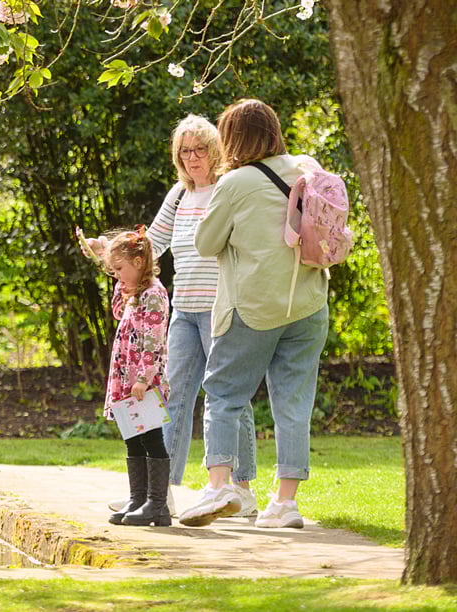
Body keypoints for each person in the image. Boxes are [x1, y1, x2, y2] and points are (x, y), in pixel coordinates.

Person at [179, 99, 329, 529]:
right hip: (308, 304)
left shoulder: (235, 183)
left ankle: (220, 483)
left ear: (233, 138)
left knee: (224, 393)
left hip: (253, 306)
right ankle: (285, 504)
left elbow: (206, 243)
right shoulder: (305, 167)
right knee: (294, 403)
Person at [106, 116, 260, 517]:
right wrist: (109, 251)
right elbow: (150, 245)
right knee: (166, 397)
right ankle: (162, 493)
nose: (192, 158)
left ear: (215, 150)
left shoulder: (228, 189)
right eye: (185, 151)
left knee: (228, 396)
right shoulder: (179, 194)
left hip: (222, 308)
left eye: (200, 149)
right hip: (183, 311)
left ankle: (241, 491)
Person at [82, 227, 172, 527]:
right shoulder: (133, 293)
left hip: (143, 382)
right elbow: (118, 312)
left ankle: (158, 505)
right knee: (133, 437)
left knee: (151, 436)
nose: (117, 275)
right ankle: (138, 498)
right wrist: (119, 281)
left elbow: (154, 338)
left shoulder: (155, 294)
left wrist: (144, 378)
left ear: (138, 261)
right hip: (126, 378)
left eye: (119, 269)